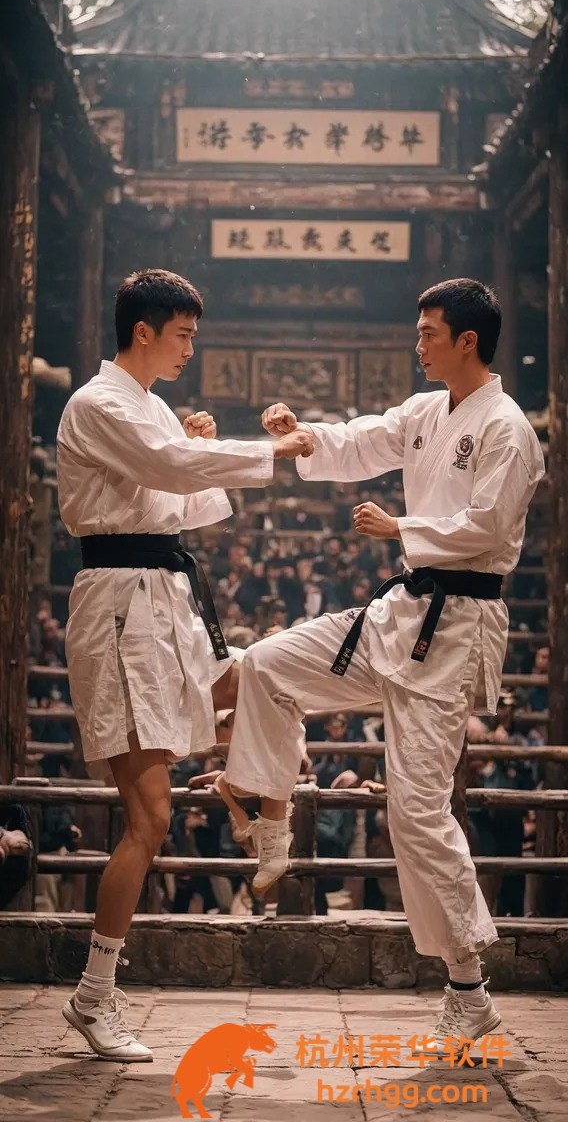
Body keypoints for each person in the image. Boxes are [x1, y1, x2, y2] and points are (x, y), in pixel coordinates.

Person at [217, 278, 545, 1052]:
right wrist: (305, 437)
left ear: (467, 340)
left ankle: (469, 989)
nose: (418, 343)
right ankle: (272, 821)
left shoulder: (505, 426)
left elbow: (490, 525)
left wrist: (402, 527)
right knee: (267, 663)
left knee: (417, 814)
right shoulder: (429, 411)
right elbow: (364, 439)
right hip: (400, 613)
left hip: (455, 628)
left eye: (429, 332)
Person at [56, 268, 313, 1062]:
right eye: (183, 334)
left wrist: (196, 450)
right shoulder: (97, 404)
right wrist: (251, 450)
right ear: (145, 331)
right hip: (120, 605)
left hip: (166, 598)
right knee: (150, 821)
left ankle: (260, 805)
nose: (189, 348)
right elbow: (170, 472)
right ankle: (93, 995)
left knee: (269, 672)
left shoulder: (154, 409)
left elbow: (189, 502)